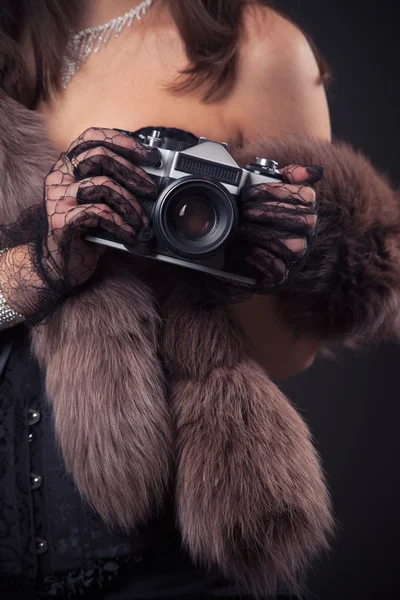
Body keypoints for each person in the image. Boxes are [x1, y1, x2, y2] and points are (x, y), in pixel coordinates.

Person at [0, 1, 399, 599]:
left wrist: (228, 257)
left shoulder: (260, 51)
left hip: (177, 548)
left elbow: (289, 355)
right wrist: (43, 264)